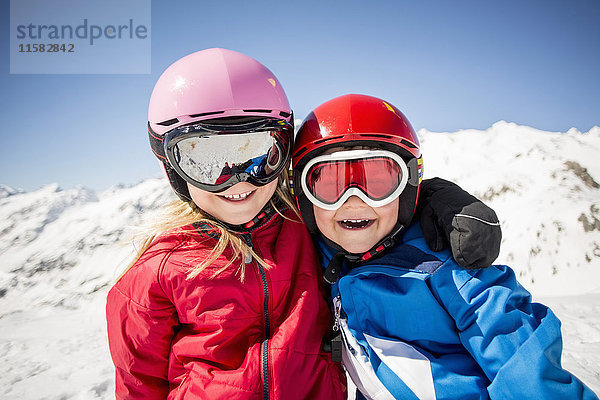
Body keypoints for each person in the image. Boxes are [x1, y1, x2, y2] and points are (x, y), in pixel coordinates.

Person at [106, 49, 501, 399]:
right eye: (206, 161)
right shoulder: (156, 273)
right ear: (170, 165)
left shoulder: (306, 223)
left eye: (259, 154)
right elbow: (138, 385)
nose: (239, 180)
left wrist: (433, 198)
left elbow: (367, 210)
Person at [291, 94, 598, 400]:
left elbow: (519, 358)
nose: (354, 199)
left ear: (409, 185)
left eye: (378, 182)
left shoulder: (449, 270)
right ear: (304, 196)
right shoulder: (320, 261)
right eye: (329, 184)